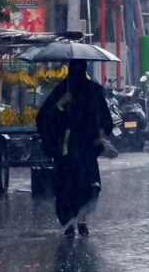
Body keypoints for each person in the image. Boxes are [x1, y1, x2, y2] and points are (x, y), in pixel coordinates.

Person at [37, 60, 113, 238]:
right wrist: (61, 104)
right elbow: (45, 117)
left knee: (87, 185)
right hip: (66, 148)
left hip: (86, 147)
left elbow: (104, 117)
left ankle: (82, 221)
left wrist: (100, 134)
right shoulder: (62, 90)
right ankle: (69, 223)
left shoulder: (93, 91)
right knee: (66, 186)